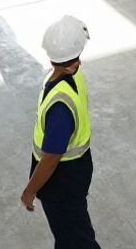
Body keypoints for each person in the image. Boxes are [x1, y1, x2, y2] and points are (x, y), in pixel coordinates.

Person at [21, 15, 99, 249]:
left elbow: (51, 160)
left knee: (76, 238)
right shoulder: (72, 76)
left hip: (62, 180)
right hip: (76, 171)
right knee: (69, 232)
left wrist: (29, 191)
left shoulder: (60, 108)